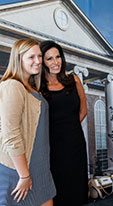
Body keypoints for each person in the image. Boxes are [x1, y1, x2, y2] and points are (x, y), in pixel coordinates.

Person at [0, 39, 56, 205]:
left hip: (40, 167)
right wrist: (24, 175)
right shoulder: (12, 85)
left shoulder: (31, 87)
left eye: (39, 56)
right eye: (31, 57)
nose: (38, 61)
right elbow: (11, 134)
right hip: (19, 169)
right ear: (19, 59)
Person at [40, 41, 88, 206]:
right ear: (43, 62)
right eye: (50, 59)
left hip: (76, 144)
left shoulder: (73, 80)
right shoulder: (38, 87)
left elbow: (83, 111)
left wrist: (70, 129)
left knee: (77, 190)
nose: (55, 62)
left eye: (58, 57)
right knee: (58, 192)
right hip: (53, 148)